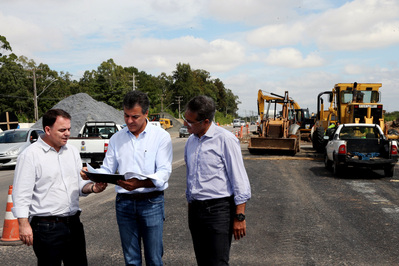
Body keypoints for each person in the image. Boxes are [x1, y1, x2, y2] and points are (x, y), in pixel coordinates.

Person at [11, 109, 107, 266]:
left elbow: (78, 184)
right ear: (47, 130)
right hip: (46, 228)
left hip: (73, 224)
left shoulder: (72, 152)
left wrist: (93, 188)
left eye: (69, 129)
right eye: (62, 130)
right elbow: (21, 194)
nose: (67, 134)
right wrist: (23, 225)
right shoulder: (30, 155)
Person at [98, 90, 173, 265]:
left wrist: (140, 183)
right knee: (131, 260)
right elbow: (107, 168)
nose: (129, 121)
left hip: (151, 202)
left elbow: (163, 172)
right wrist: (92, 175)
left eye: (135, 117)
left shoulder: (161, 137)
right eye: (126, 116)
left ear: (146, 113)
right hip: (124, 203)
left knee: (154, 258)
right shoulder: (117, 138)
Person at [184, 95, 251, 266]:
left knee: (218, 262)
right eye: (185, 119)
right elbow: (191, 176)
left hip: (218, 211)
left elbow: (239, 179)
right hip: (196, 211)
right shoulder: (191, 142)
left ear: (206, 121)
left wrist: (240, 216)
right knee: (203, 261)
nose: (185, 124)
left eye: (190, 122)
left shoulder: (225, 140)